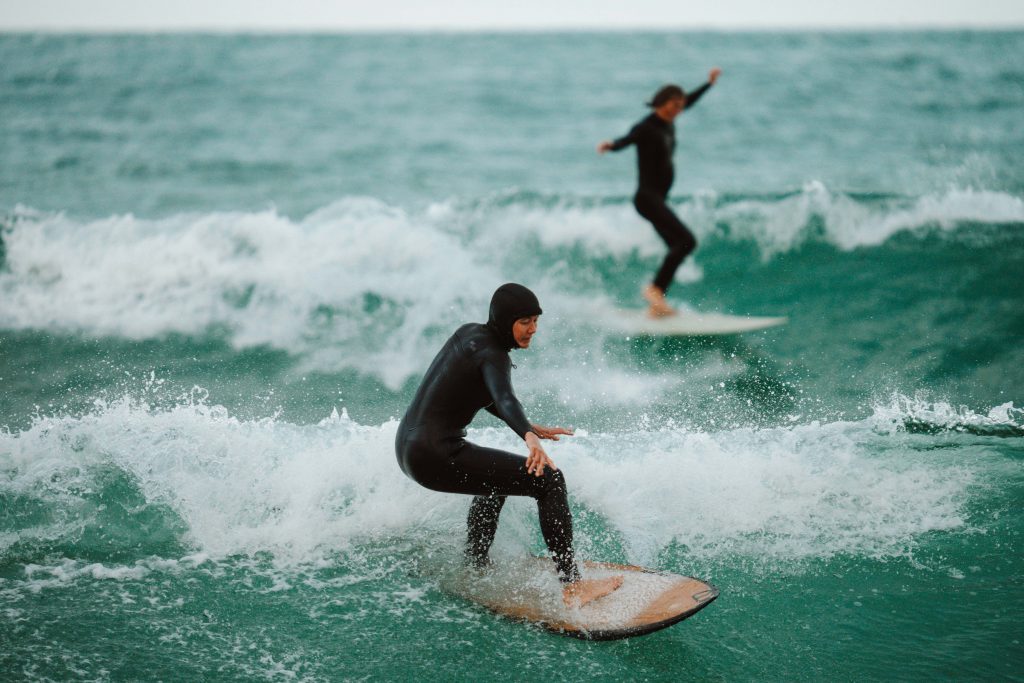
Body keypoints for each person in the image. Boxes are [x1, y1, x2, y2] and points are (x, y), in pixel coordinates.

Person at [395, 283, 623, 607]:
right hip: (435, 454)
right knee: (549, 480)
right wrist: (528, 437)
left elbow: (477, 390)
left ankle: (475, 565)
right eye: (524, 321)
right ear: (505, 321)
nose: (533, 329)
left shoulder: (470, 335)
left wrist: (527, 427)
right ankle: (573, 586)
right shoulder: (495, 355)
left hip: (410, 448)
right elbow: (504, 396)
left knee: (496, 478)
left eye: (536, 320)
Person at [598, 67, 722, 317]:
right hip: (647, 199)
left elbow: (689, 101)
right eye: (672, 106)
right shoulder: (646, 127)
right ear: (661, 102)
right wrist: (611, 145)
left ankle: (656, 304)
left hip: (657, 199)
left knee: (678, 247)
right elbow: (627, 140)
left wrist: (708, 84)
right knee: (687, 241)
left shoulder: (669, 121)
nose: (677, 110)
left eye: (679, 106)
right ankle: (655, 290)